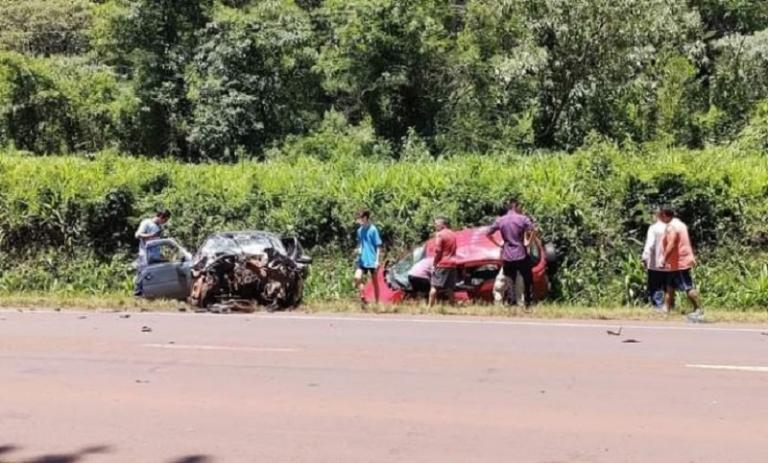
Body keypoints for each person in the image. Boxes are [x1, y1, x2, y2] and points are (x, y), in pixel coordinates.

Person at [486, 199, 536, 308]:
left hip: (508, 255)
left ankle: (512, 302)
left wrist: (498, 244)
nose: (521, 209)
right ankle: (528, 302)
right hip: (521, 253)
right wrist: (528, 242)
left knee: (510, 280)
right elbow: (533, 229)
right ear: (515, 206)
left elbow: (488, 233)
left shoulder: (500, 220)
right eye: (520, 207)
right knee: (527, 278)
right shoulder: (523, 218)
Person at [658, 206, 703, 322]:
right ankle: (666, 310)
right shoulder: (679, 224)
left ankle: (699, 309)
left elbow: (671, 243)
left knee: (687, 287)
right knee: (669, 286)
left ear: (665, 215)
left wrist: (663, 259)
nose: (659, 217)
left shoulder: (672, 227)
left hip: (679, 263)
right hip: (675, 263)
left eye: (660, 215)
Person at [133, 209, 171, 296]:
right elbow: (137, 235)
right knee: (143, 273)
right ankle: (137, 294)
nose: (164, 222)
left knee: (155, 274)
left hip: (155, 255)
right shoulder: (147, 223)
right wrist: (151, 236)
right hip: (145, 254)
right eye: (165, 220)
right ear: (161, 216)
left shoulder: (159, 227)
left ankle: (151, 293)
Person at [642, 208, 669, 311]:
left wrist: (644, 257)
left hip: (656, 263)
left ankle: (658, 308)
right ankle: (668, 307)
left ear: (657, 216)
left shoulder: (653, 228)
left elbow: (650, 244)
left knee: (656, 286)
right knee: (667, 286)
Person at [354, 210, 383, 306]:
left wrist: (377, 261)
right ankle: (363, 296)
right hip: (362, 260)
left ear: (365, 218)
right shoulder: (359, 231)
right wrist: (358, 251)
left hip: (372, 260)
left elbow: (378, 246)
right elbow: (360, 244)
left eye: (360, 218)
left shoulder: (373, 229)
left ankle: (377, 303)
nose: (358, 221)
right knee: (357, 277)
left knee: (375, 282)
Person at [428, 217, 458, 308]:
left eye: (437, 224)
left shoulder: (440, 235)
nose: (435, 226)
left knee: (434, 286)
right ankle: (453, 306)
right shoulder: (453, 234)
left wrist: (434, 263)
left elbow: (438, 250)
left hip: (442, 263)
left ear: (443, 224)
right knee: (450, 288)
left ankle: (429, 307)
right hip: (452, 264)